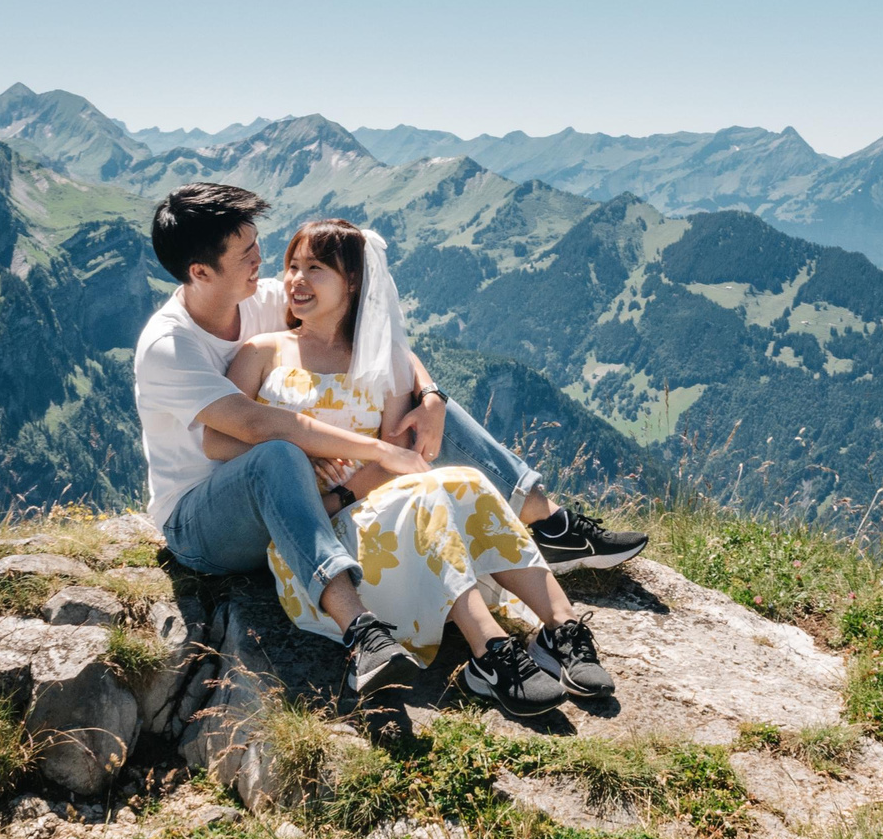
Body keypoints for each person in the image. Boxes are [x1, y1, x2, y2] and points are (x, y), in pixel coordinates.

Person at [131, 183, 646, 698]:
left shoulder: (261, 294)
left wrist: (431, 393)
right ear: (202, 272)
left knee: (432, 424)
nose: (266, 264)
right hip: (205, 518)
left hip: (308, 488)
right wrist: (373, 454)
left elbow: (380, 338)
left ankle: (545, 526)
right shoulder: (169, 345)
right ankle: (367, 633)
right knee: (282, 453)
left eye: (262, 248)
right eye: (247, 253)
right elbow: (249, 428)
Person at [225, 217, 607, 716]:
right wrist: (299, 454)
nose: (296, 279)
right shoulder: (263, 353)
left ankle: (562, 626)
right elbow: (220, 441)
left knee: (467, 480)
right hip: (312, 544)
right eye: (292, 266)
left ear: (353, 281)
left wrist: (342, 494)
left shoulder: (382, 360)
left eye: (315, 268)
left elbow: (397, 458)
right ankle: (490, 651)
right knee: (426, 496)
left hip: (369, 509)